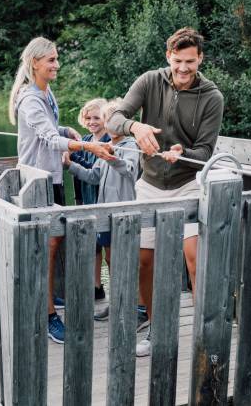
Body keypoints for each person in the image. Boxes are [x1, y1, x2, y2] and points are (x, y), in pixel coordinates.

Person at [107, 27, 224, 357]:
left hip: (189, 184)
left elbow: (205, 152)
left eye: (190, 62)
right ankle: (156, 327)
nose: (184, 69)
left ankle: (206, 333)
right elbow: (114, 119)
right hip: (150, 185)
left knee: (195, 260)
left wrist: (181, 152)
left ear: (200, 58)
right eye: (177, 61)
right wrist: (135, 126)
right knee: (145, 261)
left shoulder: (212, 96)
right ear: (167, 57)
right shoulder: (149, 81)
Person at [9, 36, 115, 344]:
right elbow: (46, 138)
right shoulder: (30, 98)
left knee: (54, 244)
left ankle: (50, 301)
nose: (57, 64)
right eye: (51, 60)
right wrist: (85, 144)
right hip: (36, 181)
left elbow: (50, 130)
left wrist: (66, 129)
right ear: (35, 64)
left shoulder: (46, 92)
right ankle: (47, 316)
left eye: (57, 58)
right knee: (48, 247)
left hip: (53, 178)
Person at [64, 100, 148, 329]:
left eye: (112, 120)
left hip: (125, 214)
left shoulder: (130, 145)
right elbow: (93, 176)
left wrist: (111, 156)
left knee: (129, 261)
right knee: (112, 260)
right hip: (107, 214)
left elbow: (130, 171)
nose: (108, 124)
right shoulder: (108, 144)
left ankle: (140, 308)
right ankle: (118, 302)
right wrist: (70, 165)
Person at [71, 98, 110, 300]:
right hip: (86, 199)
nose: (92, 121)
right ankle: (97, 287)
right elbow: (79, 177)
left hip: (102, 200)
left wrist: (71, 159)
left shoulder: (108, 141)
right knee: (93, 247)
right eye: (88, 118)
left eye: (97, 117)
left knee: (108, 247)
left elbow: (94, 171)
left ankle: (117, 286)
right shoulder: (85, 139)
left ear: (105, 119)